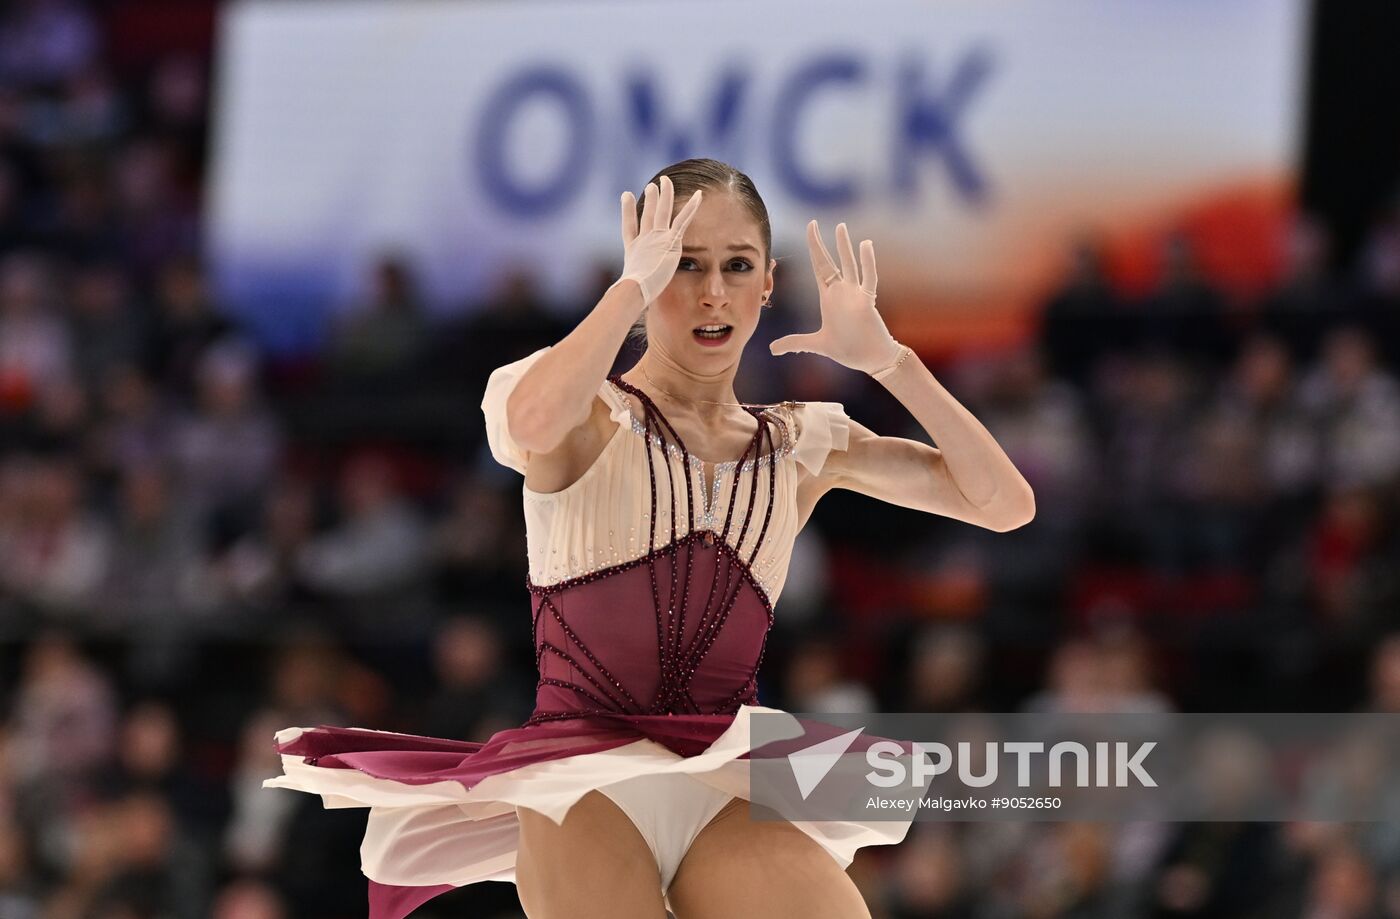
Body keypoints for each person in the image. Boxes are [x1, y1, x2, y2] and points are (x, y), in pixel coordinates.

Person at [263, 159, 1036, 919]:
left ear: (768, 284)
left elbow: (1003, 503)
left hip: (726, 781)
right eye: (683, 264)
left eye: (737, 266)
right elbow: (530, 423)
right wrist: (628, 288)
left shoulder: (801, 443)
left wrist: (892, 363)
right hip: (581, 782)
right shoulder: (589, 410)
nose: (711, 292)